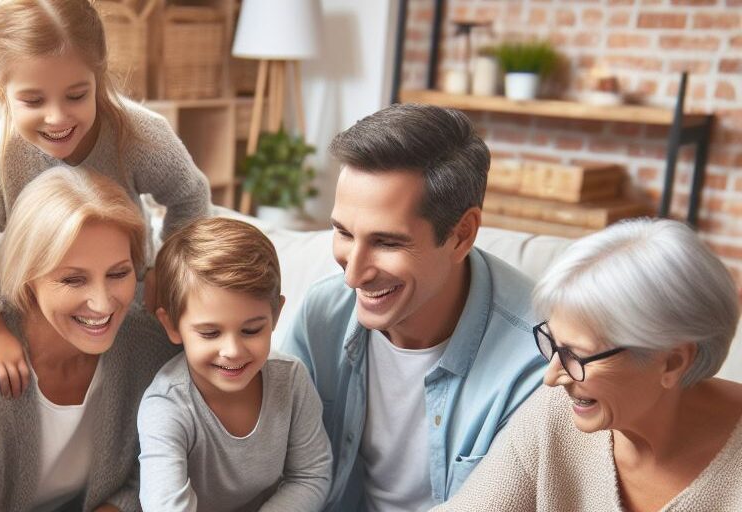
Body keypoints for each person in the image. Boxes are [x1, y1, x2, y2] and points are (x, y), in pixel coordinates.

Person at [0, 0, 210, 399]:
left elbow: (190, 196)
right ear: (2, 93)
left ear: (98, 78)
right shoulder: (1, 159)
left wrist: (162, 276)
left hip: (123, 306)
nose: (57, 117)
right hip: (34, 314)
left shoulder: (139, 135)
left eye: (77, 95)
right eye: (33, 101)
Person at [282, 103, 547, 510]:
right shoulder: (322, 316)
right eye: (343, 233)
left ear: (461, 235)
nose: (352, 276)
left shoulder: (536, 361)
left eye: (387, 242)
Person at [434, 218, 742, 511]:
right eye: (552, 344)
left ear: (672, 362)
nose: (552, 376)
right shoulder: (556, 413)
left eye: (576, 354)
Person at [0, 168, 178, 512]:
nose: (103, 304)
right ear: (27, 277)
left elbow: (156, 469)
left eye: (118, 273)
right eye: (73, 280)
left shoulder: (150, 346)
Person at [139, 217, 332, 511]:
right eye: (210, 333)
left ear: (276, 315)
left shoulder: (291, 380)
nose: (232, 351)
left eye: (251, 330)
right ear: (173, 326)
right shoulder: (166, 405)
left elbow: (311, 475)